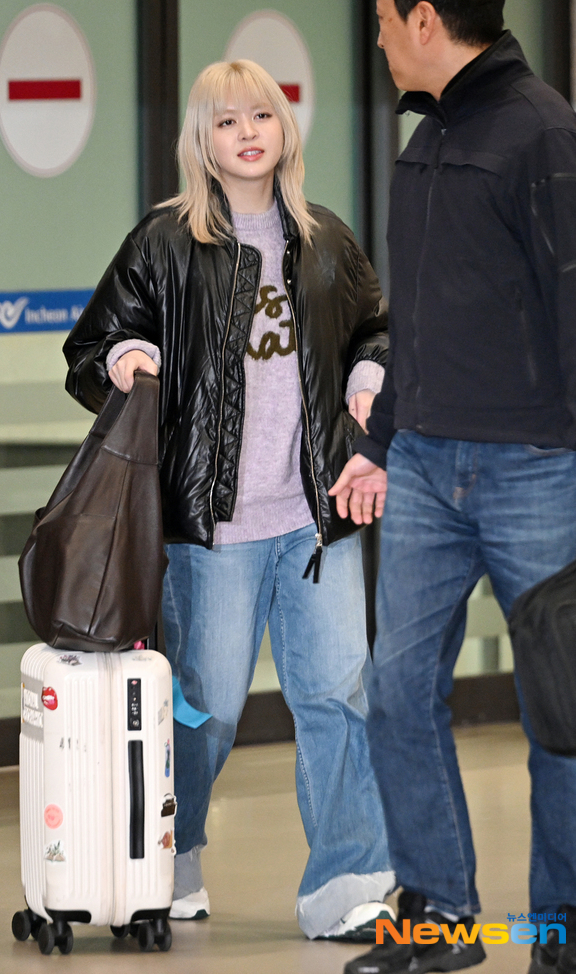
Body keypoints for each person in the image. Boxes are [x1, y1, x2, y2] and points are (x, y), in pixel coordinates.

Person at [63, 59, 395, 942]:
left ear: (284, 128)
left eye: (262, 116)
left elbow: (375, 329)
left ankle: (349, 886)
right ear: (201, 142)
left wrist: (368, 377)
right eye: (226, 121)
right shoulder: (165, 241)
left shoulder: (326, 241)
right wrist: (124, 361)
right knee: (203, 709)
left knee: (338, 698)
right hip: (209, 528)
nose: (248, 133)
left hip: (317, 520)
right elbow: (91, 345)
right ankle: (172, 858)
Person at [330, 2, 576, 973]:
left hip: (538, 467)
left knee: (559, 701)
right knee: (395, 689)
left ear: (424, 18)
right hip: (426, 466)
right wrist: (379, 441)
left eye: (383, 18)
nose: (378, 37)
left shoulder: (544, 133)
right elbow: (419, 317)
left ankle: (561, 926)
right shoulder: (424, 140)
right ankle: (436, 915)